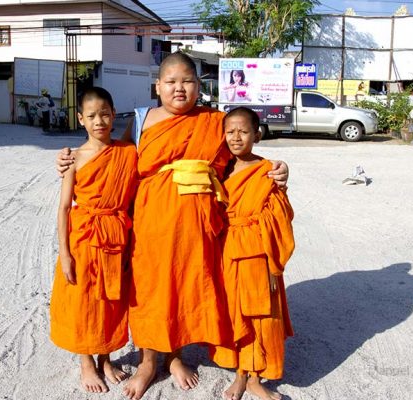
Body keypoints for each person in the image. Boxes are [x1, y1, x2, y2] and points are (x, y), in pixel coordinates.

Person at [56, 52, 289, 400]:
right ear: (158, 86)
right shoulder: (141, 120)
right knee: (151, 291)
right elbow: (110, 155)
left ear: (198, 85)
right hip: (151, 223)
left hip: (196, 226)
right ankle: (150, 361)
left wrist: (278, 170)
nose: (179, 89)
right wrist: (68, 157)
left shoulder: (214, 121)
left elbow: (239, 161)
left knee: (185, 288)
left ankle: (176, 356)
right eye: (171, 82)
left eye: (187, 81)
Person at [49, 87, 138, 393]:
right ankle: (86, 362)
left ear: (113, 114)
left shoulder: (127, 152)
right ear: (80, 119)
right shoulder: (73, 158)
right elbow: (63, 208)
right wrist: (65, 252)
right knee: (84, 301)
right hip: (84, 238)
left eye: (104, 113)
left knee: (111, 299)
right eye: (91, 116)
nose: (99, 121)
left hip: (115, 235)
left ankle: (106, 358)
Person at [211, 107, 295, 400]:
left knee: (260, 312)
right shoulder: (219, 169)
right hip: (228, 251)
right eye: (230, 131)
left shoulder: (267, 171)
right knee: (235, 313)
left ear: (257, 135)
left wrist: (274, 262)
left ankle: (256, 377)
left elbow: (280, 216)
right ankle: (240, 374)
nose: (236, 138)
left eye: (243, 131)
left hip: (258, 254)